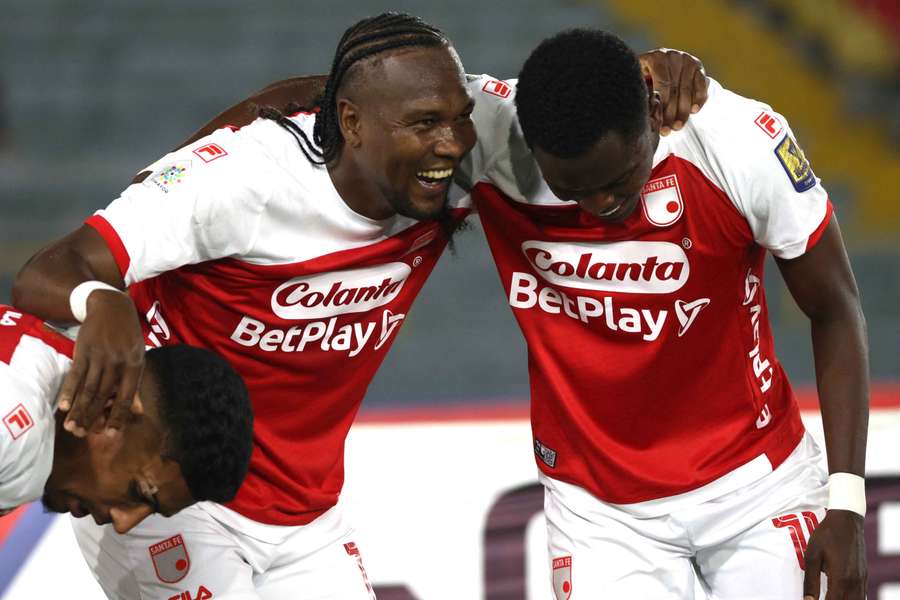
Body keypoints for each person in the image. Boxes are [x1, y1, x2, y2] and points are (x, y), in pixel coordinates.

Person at [11, 13, 708, 600]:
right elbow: (52, 269)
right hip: (168, 482)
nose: (452, 144)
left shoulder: (455, 151)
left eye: (458, 121)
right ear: (351, 123)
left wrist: (654, 68)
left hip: (307, 514)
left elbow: (571, 97)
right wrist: (102, 299)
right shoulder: (243, 180)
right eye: (425, 124)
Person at [183, 27, 868, 600]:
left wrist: (846, 503)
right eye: (576, 190)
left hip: (757, 487)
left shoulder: (739, 143)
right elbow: (331, 94)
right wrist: (179, 177)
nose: (601, 206)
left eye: (619, 180)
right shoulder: (485, 132)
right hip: (598, 512)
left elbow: (835, 308)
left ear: (650, 122)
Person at [0, 304, 253, 534]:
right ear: (108, 413)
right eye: (139, 491)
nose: (123, 523)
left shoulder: (38, 355)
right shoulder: (15, 437)